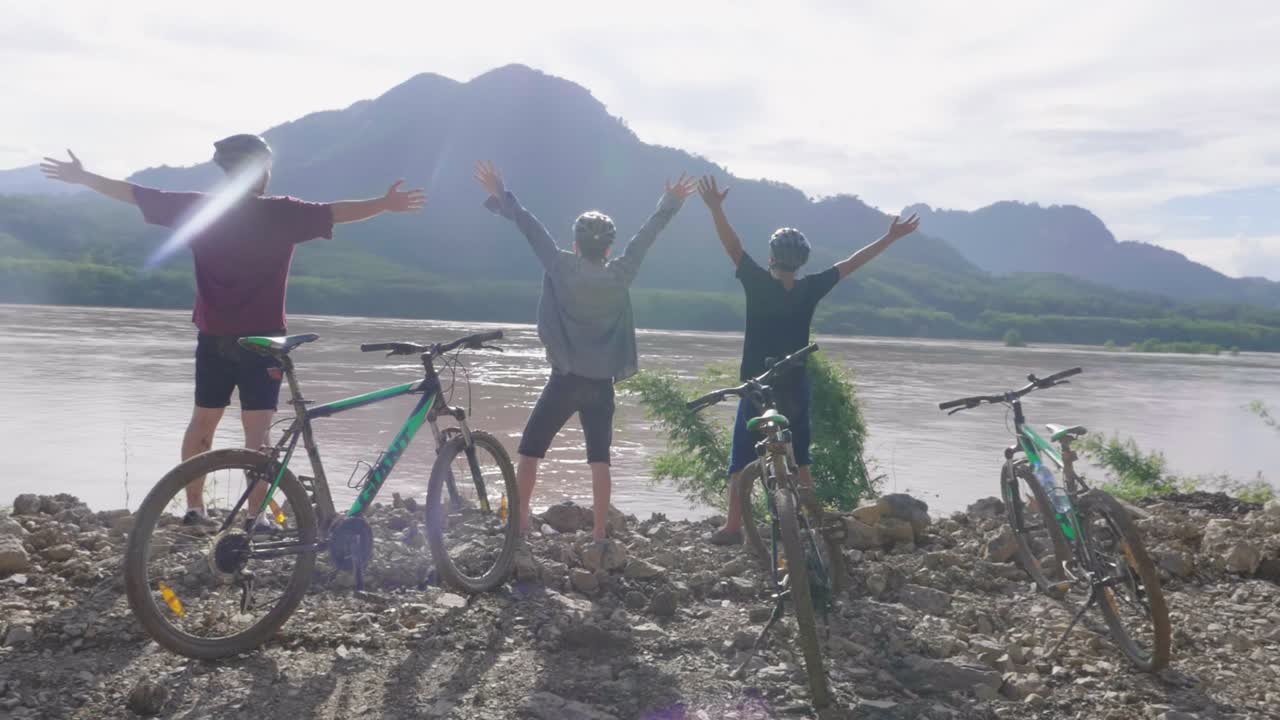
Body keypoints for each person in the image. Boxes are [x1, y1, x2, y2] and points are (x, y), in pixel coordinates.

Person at [40, 136, 426, 524]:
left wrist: (85, 177)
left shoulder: (198, 207)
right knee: (256, 435)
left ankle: (194, 508)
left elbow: (136, 194)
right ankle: (256, 518)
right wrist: (385, 204)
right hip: (264, 342)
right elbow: (336, 212)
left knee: (203, 423)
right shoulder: (281, 213)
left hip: (214, 337)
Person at [475, 161, 696, 542]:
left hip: (564, 379)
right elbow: (646, 237)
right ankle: (598, 533)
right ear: (608, 247)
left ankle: (522, 520)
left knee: (530, 450)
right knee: (600, 458)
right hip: (600, 384)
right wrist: (670, 203)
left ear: (576, 244)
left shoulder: (561, 266)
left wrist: (502, 193)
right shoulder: (621, 273)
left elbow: (531, 228)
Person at [695, 175, 919, 545]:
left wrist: (716, 208)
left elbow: (732, 246)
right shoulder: (810, 287)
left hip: (758, 386)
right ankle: (809, 522)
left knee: (740, 459)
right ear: (802, 263)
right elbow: (851, 263)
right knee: (801, 459)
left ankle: (733, 527)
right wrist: (890, 237)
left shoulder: (757, 281)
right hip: (795, 383)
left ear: (771, 258)